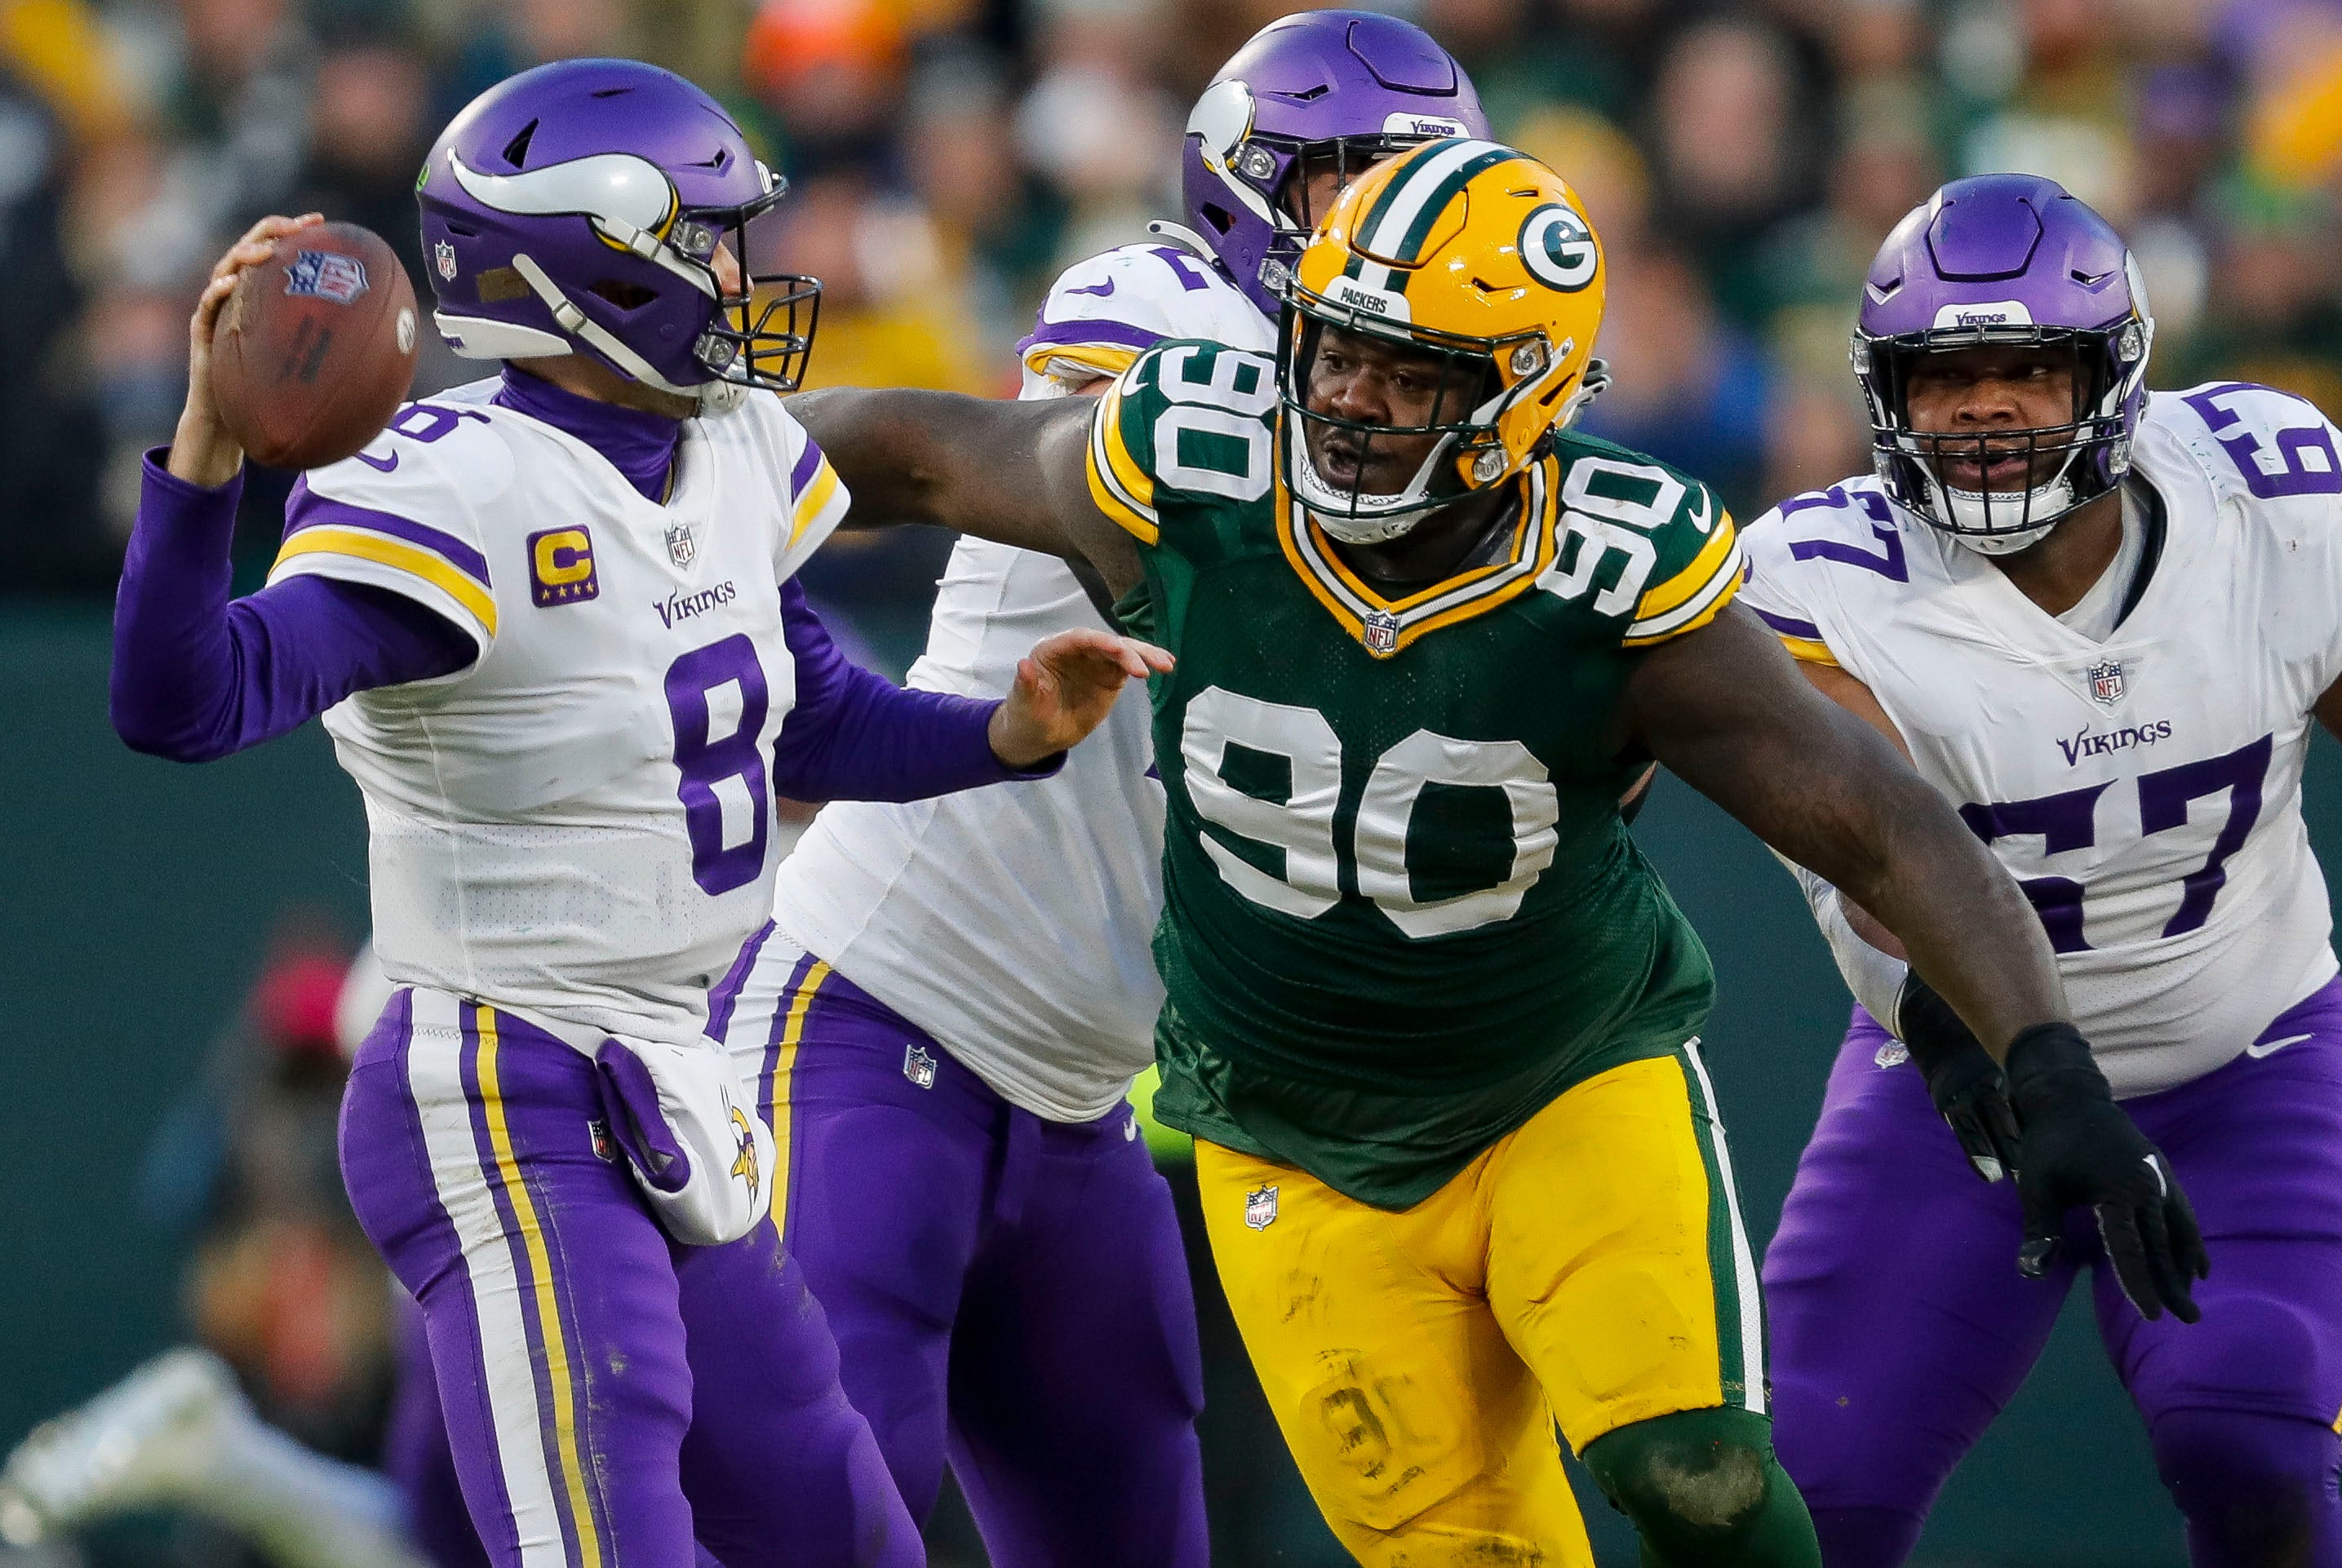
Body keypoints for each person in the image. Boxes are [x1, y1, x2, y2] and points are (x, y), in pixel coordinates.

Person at [782, 137, 2207, 1568]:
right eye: (1336, 350)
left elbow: (1875, 820)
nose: (1350, 400)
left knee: (1697, 1479)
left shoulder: (1602, 564)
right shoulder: (1195, 456)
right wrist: (697, 479)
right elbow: (912, 453)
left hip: (1560, 1078)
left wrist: (2051, 1068)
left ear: (1519, 394)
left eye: (1409, 375)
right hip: (1289, 1126)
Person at [108, 57, 1162, 1568]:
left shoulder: (727, 446)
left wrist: (1003, 733)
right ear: (581, 266)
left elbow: (810, 716)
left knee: (849, 1542)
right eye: (705, 241)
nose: (739, 275)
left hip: (672, 1076)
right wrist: (206, 453)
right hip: (506, 1086)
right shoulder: (455, 487)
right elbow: (186, 702)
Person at [707, 12, 1485, 1561]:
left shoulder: (1446, 419)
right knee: (823, 1525)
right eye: (1341, 180)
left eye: (1418, 189)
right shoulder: (1156, 300)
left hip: (1083, 1102)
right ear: (1243, 185)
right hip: (873, 1014)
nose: (1380, 226)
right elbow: (1199, 530)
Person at [1745, 173, 2342, 1568]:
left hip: (2247, 1057)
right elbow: (1875, 850)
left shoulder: (2269, 497)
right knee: (1805, 1488)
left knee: (2252, 1441)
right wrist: (1977, 1034)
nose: (1983, 409)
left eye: (2026, 369)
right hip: (1955, 1085)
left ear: (2111, 375)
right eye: (1943, 379)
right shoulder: (1819, 576)